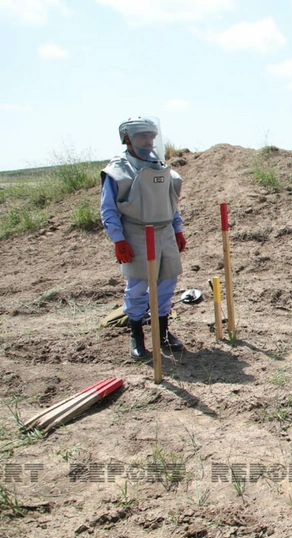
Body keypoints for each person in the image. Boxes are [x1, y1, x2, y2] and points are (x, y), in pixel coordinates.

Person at [100, 116, 186, 361]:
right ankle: (136, 336)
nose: (148, 141)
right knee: (138, 286)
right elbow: (108, 209)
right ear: (127, 138)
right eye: (142, 136)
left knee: (167, 283)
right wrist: (118, 240)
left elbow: (171, 203)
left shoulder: (161, 167)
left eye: (151, 136)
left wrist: (177, 229)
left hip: (164, 232)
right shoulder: (118, 171)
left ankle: (162, 334)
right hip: (136, 232)